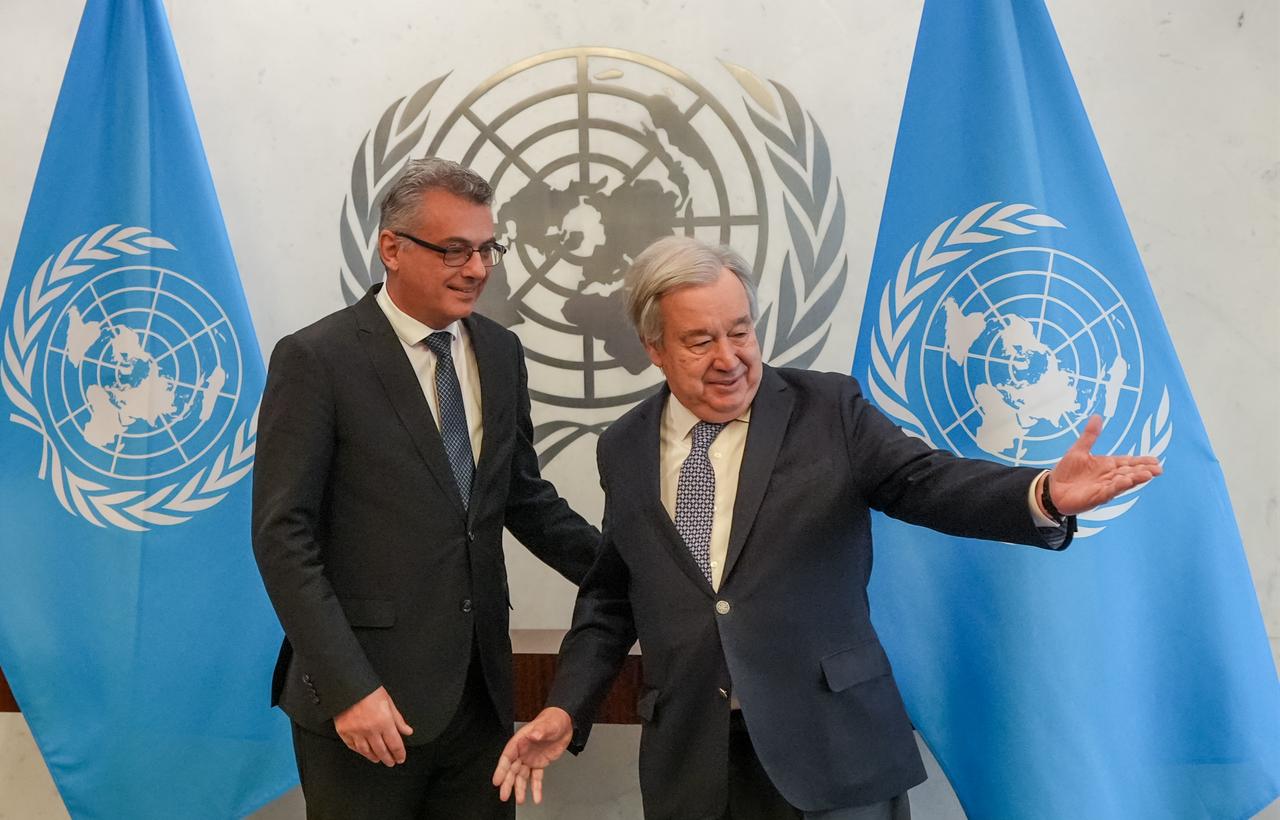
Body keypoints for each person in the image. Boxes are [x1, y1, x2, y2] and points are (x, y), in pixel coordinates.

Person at [491, 236, 1161, 820]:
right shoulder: (625, 447)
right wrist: (564, 708)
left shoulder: (828, 409)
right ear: (655, 349)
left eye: (741, 331)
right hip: (696, 765)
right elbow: (613, 596)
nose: (729, 357)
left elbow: (929, 483)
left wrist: (1040, 492)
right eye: (701, 340)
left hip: (832, 753)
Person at [252, 157, 599, 819]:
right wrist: (350, 688)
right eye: (454, 250)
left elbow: (522, 497)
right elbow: (282, 538)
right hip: (365, 707)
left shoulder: (500, 353)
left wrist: (632, 574)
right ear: (392, 248)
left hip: (480, 700)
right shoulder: (316, 359)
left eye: (487, 249)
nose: (476, 268)